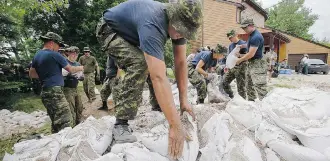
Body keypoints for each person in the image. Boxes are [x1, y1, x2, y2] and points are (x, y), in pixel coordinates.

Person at [96, 0, 201, 159]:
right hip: (109, 30)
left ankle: (158, 105)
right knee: (142, 64)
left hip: (131, 32)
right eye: (180, 30)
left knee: (157, 64)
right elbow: (158, 77)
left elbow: (180, 63)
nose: (181, 35)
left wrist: (184, 99)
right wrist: (174, 125)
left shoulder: (179, 25)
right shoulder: (153, 22)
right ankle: (121, 124)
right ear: (171, 17)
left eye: (185, 33)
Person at [29, 32, 84, 133]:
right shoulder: (55, 55)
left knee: (55, 120)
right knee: (66, 120)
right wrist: (82, 67)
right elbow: (71, 69)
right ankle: (65, 144)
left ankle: (55, 142)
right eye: (58, 45)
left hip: (45, 91)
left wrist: (47, 74)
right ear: (51, 43)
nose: (59, 48)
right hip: (55, 92)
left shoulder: (37, 55)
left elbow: (32, 74)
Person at [236, 19, 268, 100]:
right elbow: (249, 44)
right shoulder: (251, 35)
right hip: (251, 63)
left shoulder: (256, 36)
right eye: (243, 28)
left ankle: (266, 106)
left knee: (260, 86)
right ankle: (251, 102)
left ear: (251, 26)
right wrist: (242, 46)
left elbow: (251, 54)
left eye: (245, 28)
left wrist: (239, 60)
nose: (244, 30)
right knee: (249, 84)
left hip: (258, 63)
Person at [222, 30, 252, 100]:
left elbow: (249, 56)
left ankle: (242, 103)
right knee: (224, 82)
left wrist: (239, 55)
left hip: (242, 67)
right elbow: (230, 57)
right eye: (229, 38)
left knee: (241, 87)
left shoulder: (243, 44)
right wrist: (227, 66)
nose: (230, 39)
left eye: (231, 37)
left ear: (236, 35)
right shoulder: (230, 45)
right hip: (232, 67)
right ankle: (231, 97)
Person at [63, 46, 84, 126]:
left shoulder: (77, 63)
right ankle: (73, 125)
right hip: (67, 88)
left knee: (79, 106)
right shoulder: (64, 62)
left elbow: (81, 76)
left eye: (76, 54)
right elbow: (63, 74)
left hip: (75, 87)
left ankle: (78, 122)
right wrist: (72, 73)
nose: (74, 56)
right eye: (73, 54)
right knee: (71, 108)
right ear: (68, 53)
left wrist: (81, 76)